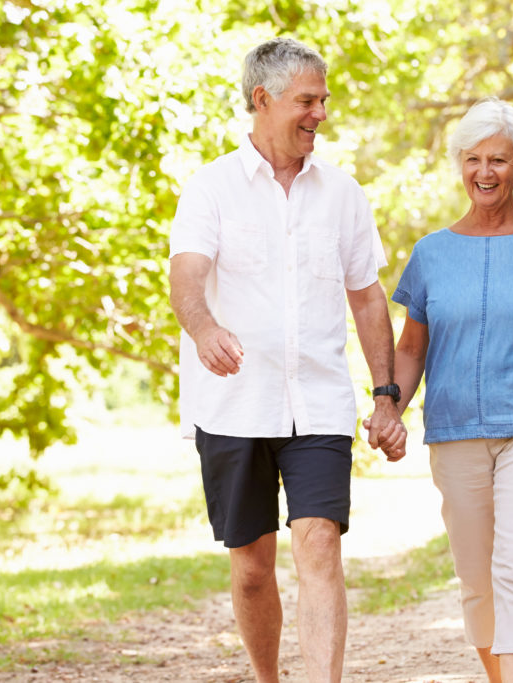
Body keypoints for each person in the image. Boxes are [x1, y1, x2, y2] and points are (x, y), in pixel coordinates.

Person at [168, 37, 405, 683]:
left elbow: (366, 296)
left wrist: (386, 393)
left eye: (324, 100)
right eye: (307, 100)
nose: (320, 113)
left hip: (320, 402)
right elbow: (186, 275)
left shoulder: (342, 194)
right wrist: (204, 326)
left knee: (320, 545)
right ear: (262, 99)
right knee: (250, 569)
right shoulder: (210, 187)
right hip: (234, 404)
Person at [368, 97, 513, 683]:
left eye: (498, 159)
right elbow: (412, 347)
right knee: (476, 574)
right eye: (473, 159)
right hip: (456, 428)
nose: (485, 172)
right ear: (460, 165)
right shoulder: (431, 253)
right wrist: (389, 403)